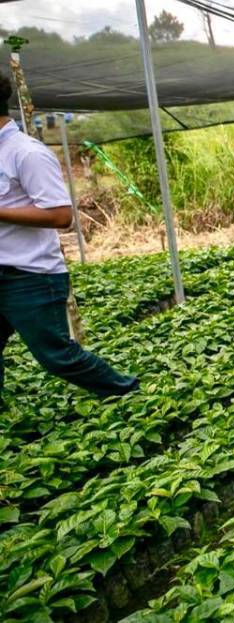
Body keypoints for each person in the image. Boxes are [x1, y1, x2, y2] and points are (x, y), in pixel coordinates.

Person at [0, 70, 139, 400]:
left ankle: (127, 393)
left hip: (29, 275)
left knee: (56, 354)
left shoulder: (26, 153)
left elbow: (62, 215)